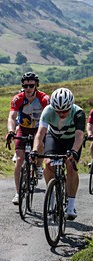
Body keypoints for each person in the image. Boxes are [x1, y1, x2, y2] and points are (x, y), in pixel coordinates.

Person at [31, 87, 86, 220]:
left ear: (71, 106)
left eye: (65, 111)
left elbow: (79, 136)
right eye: (58, 111)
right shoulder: (48, 111)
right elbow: (40, 134)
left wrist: (73, 151)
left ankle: (71, 205)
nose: (61, 114)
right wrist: (34, 150)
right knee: (48, 163)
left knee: (71, 166)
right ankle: (51, 197)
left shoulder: (78, 113)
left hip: (71, 140)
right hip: (54, 137)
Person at [5, 72, 49, 204]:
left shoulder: (44, 99)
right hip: (23, 128)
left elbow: (50, 116)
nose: (28, 88)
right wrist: (11, 131)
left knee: (39, 143)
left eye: (31, 85)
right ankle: (18, 193)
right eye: (25, 85)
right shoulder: (18, 99)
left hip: (39, 128)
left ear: (36, 85)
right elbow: (12, 117)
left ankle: (39, 166)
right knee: (19, 159)